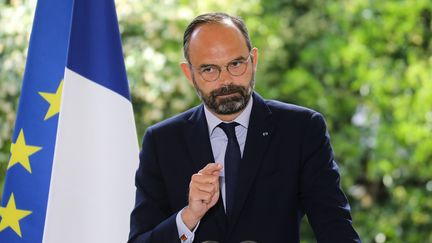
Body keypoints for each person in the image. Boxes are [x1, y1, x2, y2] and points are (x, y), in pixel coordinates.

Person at [128, 12, 361, 243]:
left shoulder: (302, 129)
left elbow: (337, 230)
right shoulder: (161, 141)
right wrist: (189, 217)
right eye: (209, 69)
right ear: (189, 74)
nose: (226, 80)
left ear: (254, 60)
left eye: (236, 64)